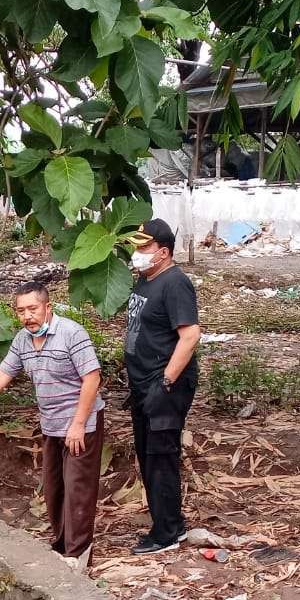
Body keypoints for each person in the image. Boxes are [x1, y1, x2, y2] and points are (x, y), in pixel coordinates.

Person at [0, 282, 104, 569]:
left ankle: (78, 556)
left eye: (33, 309)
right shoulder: (23, 340)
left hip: (80, 425)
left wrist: (79, 423)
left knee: (78, 490)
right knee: (54, 489)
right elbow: (2, 373)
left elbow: (92, 378)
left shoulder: (72, 333)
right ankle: (61, 546)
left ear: (48, 307)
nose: (27, 316)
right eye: (21, 311)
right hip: (51, 425)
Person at [124, 218, 201, 554]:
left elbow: (190, 335)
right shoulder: (146, 280)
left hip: (165, 386)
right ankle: (169, 522)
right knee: (147, 454)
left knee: (160, 456)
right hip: (145, 385)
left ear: (164, 252)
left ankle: (167, 534)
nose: (137, 253)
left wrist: (165, 382)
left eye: (144, 247)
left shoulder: (175, 283)